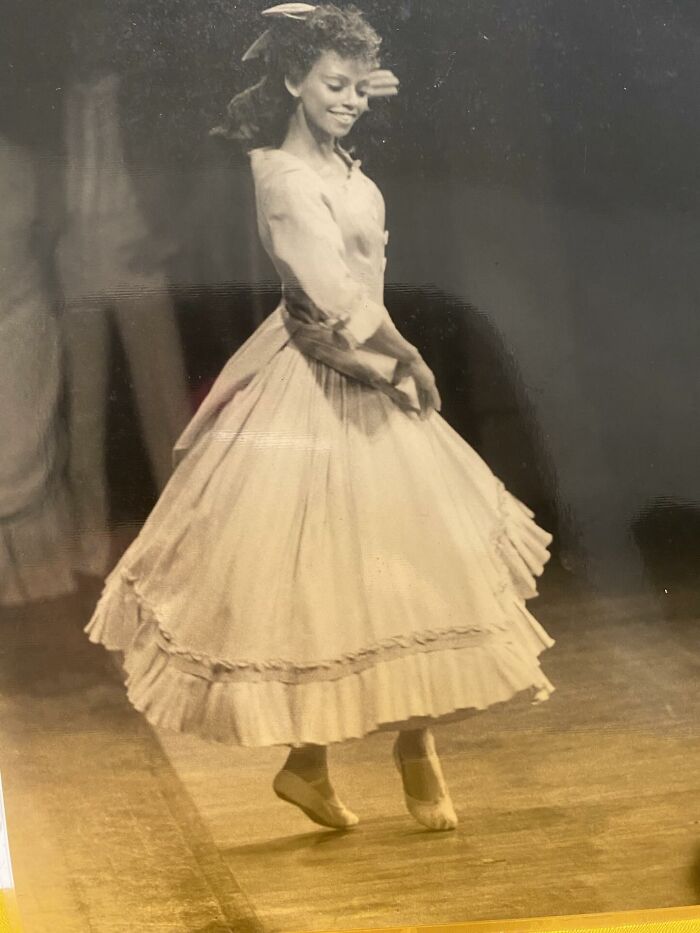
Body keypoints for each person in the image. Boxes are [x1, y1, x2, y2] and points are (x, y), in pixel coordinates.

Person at [86, 3, 554, 833]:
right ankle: (317, 760)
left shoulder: (347, 168)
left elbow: (356, 215)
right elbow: (335, 297)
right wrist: (407, 356)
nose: (352, 99)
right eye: (332, 84)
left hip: (364, 363)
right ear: (292, 81)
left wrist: (344, 81)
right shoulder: (281, 177)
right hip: (322, 368)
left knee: (406, 565)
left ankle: (406, 747)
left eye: (359, 88)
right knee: (320, 580)